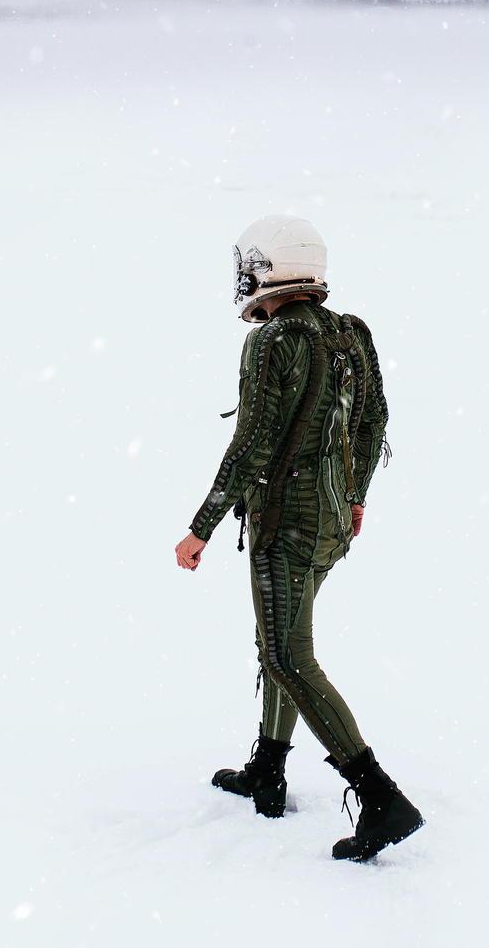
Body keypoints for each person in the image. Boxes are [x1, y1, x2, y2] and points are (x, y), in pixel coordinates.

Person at [173, 214, 425, 862]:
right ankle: (269, 768)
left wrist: (201, 527)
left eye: (249, 266)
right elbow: (374, 421)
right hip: (332, 523)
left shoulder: (273, 341)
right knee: (281, 642)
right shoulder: (351, 332)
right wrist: (356, 493)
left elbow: (252, 445)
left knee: (288, 656)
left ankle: (380, 797)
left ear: (270, 268)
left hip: (284, 523)